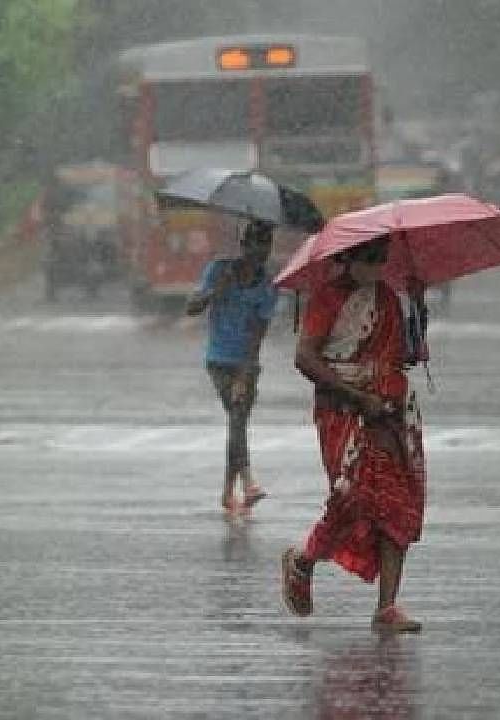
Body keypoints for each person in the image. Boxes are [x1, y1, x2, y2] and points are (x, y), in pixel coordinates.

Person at [280, 235, 427, 633]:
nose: (377, 267)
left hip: (391, 414)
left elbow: (408, 356)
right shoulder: (328, 298)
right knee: (354, 498)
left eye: (383, 259)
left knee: (398, 506)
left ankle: (387, 607)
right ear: (348, 258)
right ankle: (304, 560)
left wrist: (418, 310)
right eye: (370, 258)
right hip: (344, 413)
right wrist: (358, 397)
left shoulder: (390, 300)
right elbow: (305, 358)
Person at [185, 220, 278, 514]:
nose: (259, 254)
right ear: (244, 246)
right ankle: (247, 482)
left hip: (246, 363)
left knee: (237, 421)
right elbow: (191, 308)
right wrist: (216, 291)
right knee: (238, 419)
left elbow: (257, 335)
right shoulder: (218, 270)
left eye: (265, 247)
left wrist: (244, 375)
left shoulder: (266, 286)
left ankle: (229, 492)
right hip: (218, 359)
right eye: (254, 246)